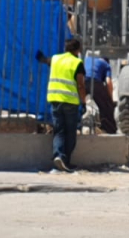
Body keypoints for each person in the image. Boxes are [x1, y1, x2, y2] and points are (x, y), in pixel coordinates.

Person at [36, 38, 86, 172]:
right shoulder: (77, 63)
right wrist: (84, 102)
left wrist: (40, 57)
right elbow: (81, 85)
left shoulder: (55, 59)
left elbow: (46, 60)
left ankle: (58, 155)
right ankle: (66, 161)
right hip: (70, 102)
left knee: (59, 130)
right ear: (78, 50)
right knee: (70, 132)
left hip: (55, 100)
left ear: (65, 48)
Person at [84, 55, 116, 134]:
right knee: (106, 106)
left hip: (82, 82)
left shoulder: (87, 59)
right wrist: (110, 100)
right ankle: (108, 130)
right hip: (95, 82)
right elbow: (108, 82)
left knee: (81, 105)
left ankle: (80, 126)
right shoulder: (106, 64)